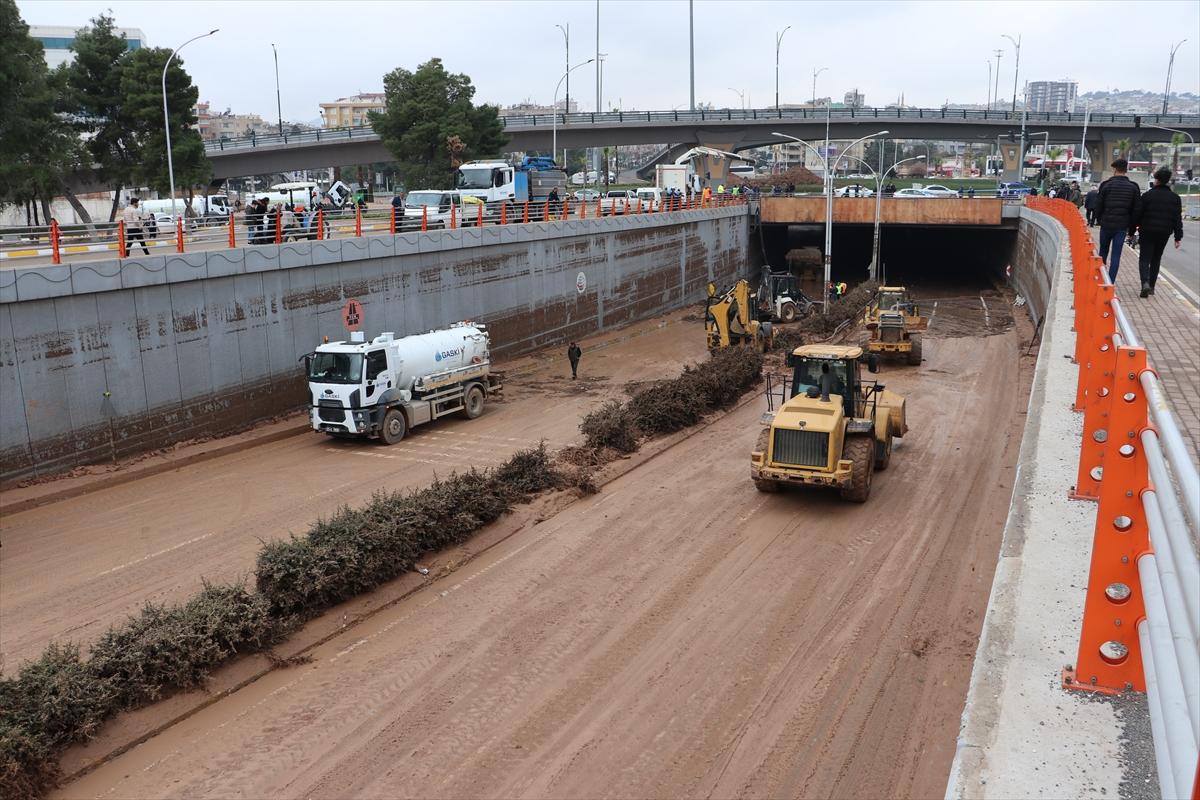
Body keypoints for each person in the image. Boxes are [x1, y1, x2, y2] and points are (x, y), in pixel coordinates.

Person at [1133, 166, 1184, 297]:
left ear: (1156, 180)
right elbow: (1177, 219)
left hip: (1147, 230)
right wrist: (1178, 237)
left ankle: (1144, 282)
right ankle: (1152, 286)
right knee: (1156, 258)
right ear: (1167, 181)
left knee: (1144, 258)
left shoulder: (1147, 196)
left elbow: (1138, 214)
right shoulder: (1175, 198)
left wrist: (1132, 230)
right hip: (1164, 232)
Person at [1095, 158, 1142, 282]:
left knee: (1102, 253)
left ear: (1114, 169)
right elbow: (1137, 210)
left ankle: (1100, 279)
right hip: (1121, 226)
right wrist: (1131, 229)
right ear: (1126, 170)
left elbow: (1098, 205)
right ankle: (1110, 283)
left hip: (1106, 224)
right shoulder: (1133, 187)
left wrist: (1099, 220)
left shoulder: (1106, 185)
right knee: (1116, 255)